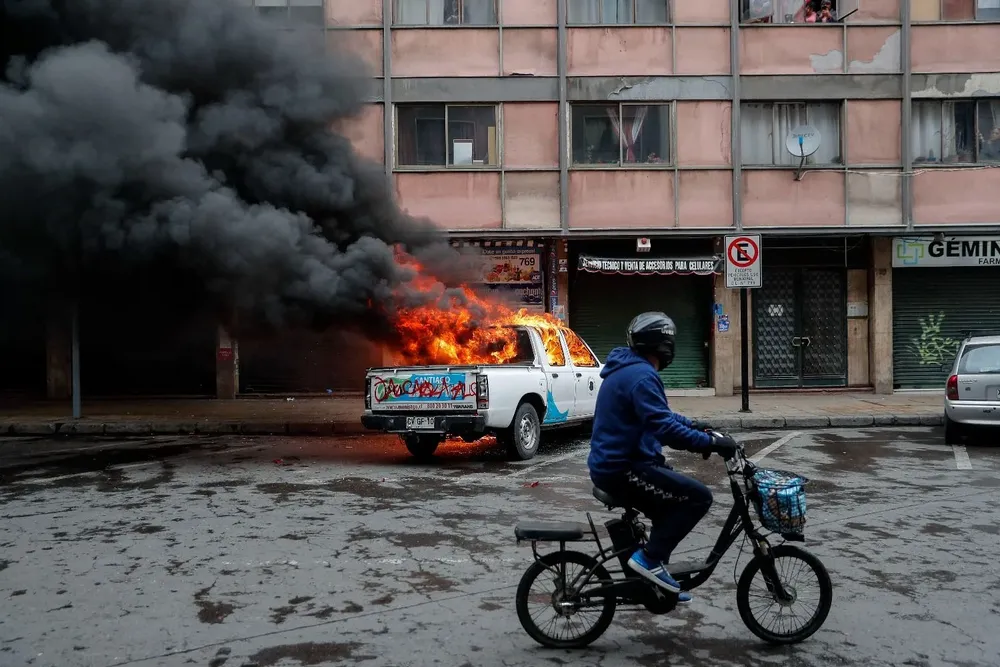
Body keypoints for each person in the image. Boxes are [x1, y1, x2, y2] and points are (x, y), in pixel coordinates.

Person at [588, 311, 739, 604]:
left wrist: (696, 427)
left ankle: (653, 580)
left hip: (622, 463)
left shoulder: (631, 370)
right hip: (622, 468)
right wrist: (709, 442)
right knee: (698, 497)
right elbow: (665, 429)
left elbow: (662, 416)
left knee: (669, 510)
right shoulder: (642, 375)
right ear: (663, 344)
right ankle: (649, 561)